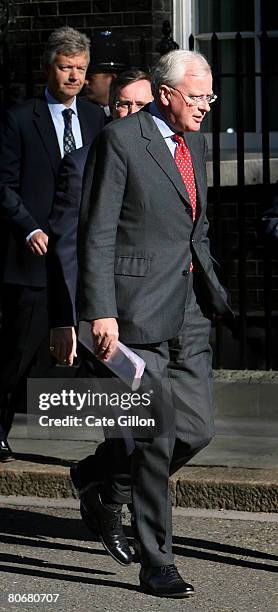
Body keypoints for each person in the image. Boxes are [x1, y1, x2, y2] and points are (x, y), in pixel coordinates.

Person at [77, 49, 233, 598]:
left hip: (188, 308)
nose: (206, 107)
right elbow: (95, 230)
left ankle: (104, 483)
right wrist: (100, 311)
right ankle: (157, 560)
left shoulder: (196, 141)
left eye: (209, 97)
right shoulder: (121, 141)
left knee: (195, 429)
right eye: (197, 97)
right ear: (167, 94)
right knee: (155, 433)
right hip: (137, 308)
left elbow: (198, 225)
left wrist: (209, 284)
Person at [0, 26, 104, 460]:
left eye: (80, 68)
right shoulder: (20, 118)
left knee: (99, 350)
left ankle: (118, 438)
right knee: (19, 351)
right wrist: (29, 227)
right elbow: (3, 184)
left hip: (84, 255)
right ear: (50, 68)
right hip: (35, 257)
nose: (74, 76)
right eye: (66, 68)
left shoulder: (97, 119)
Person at [48, 70, 153, 365]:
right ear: (110, 108)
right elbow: (65, 247)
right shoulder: (81, 164)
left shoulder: (170, 162)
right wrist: (63, 320)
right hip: (104, 318)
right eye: (123, 104)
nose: (131, 113)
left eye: (141, 106)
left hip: (156, 312)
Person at [82, 30, 130, 120]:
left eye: (90, 77)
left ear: (112, 79)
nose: (85, 82)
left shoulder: (131, 114)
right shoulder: (82, 115)